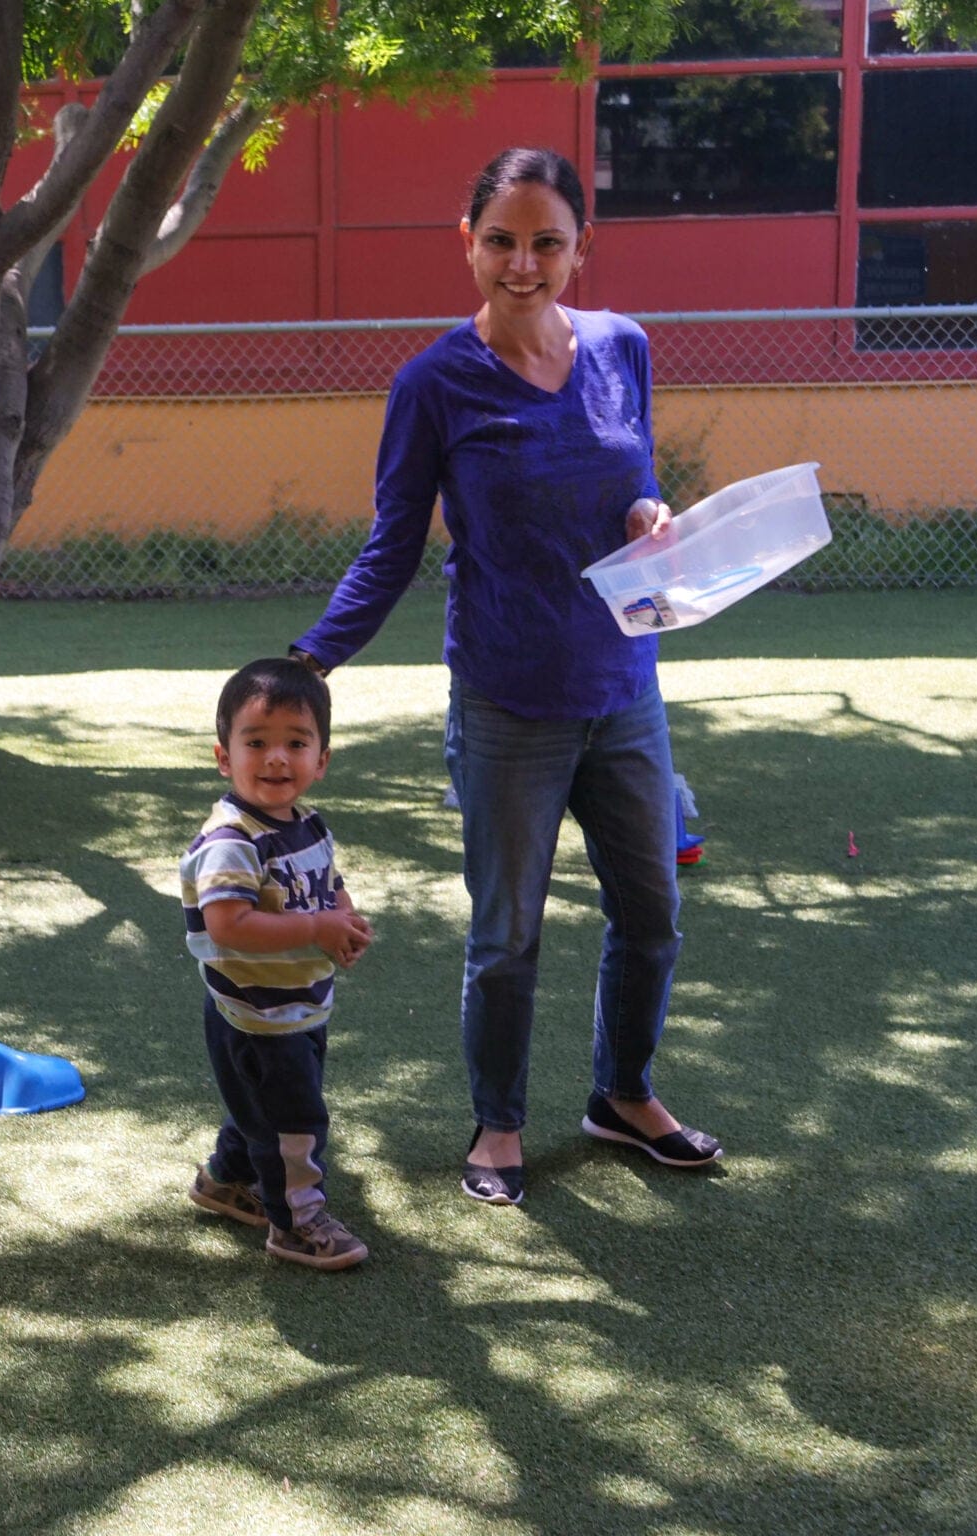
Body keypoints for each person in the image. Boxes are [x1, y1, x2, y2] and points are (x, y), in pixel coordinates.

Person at [289, 147, 722, 1209]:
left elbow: (634, 479)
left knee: (650, 915)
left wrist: (645, 515)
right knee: (506, 938)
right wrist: (306, 663)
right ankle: (497, 1125)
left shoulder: (622, 346)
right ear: (467, 240)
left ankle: (620, 1096)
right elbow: (393, 544)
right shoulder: (433, 383)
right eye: (500, 240)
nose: (521, 263)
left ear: (580, 247)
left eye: (544, 242)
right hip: (505, 705)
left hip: (623, 691)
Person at [180, 658, 374, 1270]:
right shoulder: (231, 841)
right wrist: (316, 926)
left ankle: (226, 1180)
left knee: (263, 1107)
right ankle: (294, 1224)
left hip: (295, 1001)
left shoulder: (304, 823)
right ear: (223, 756)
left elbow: (327, 882)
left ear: (322, 759)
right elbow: (228, 924)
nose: (276, 759)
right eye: (256, 742)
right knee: (296, 1122)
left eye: (296, 743)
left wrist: (342, 919)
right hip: (258, 1015)